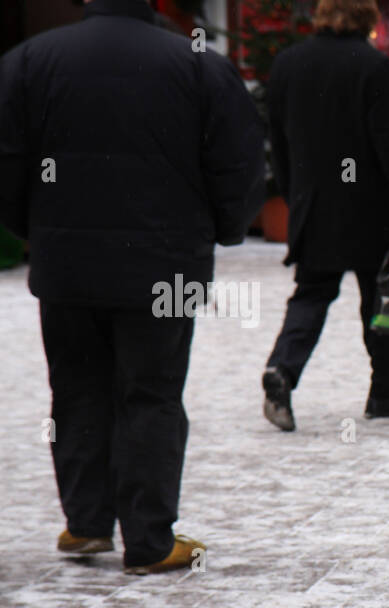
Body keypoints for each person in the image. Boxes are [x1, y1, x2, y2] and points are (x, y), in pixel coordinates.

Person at [0, 0, 262, 573]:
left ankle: (87, 522)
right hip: (164, 263)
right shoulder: (197, 63)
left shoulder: (30, 60)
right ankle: (149, 539)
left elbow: (10, 159)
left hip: (66, 261)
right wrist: (223, 227)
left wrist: (32, 227)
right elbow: (237, 160)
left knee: (76, 390)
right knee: (152, 393)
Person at [262, 0, 389, 431]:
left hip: (315, 205)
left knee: (312, 294)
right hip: (371, 208)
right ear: (367, 18)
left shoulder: (288, 63)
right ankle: (385, 392)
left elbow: (277, 141)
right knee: (379, 302)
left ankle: (283, 370)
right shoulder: (373, 67)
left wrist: (293, 192)